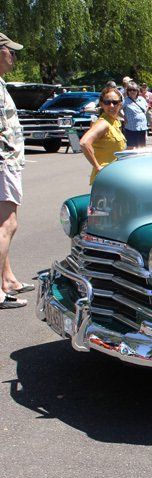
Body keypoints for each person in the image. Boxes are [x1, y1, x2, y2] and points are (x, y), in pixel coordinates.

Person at [0, 32, 30, 309]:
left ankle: (7, 280)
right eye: (11, 51)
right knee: (8, 224)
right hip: (3, 162)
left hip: (6, 161)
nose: (14, 56)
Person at [79, 86, 126, 185]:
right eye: (107, 102)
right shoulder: (103, 123)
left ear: (120, 104)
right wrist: (98, 167)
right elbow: (84, 143)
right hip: (105, 179)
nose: (111, 105)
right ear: (101, 104)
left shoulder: (115, 122)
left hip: (115, 176)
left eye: (115, 102)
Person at [121, 82, 149, 149]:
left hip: (142, 126)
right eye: (130, 90)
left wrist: (143, 113)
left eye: (134, 90)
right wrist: (123, 116)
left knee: (142, 146)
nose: (132, 92)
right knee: (131, 146)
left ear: (137, 91)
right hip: (131, 127)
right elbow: (118, 109)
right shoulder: (125, 101)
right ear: (127, 91)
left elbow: (147, 106)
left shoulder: (141, 99)